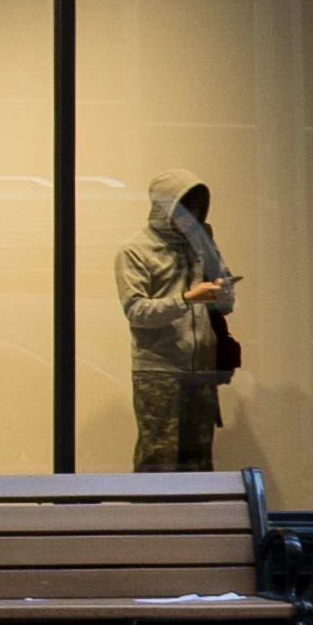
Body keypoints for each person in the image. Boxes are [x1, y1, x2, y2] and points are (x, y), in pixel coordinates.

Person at [115, 174, 234, 470]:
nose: (192, 217)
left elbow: (226, 305)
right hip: (159, 372)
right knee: (159, 459)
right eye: (185, 209)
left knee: (199, 460)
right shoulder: (135, 250)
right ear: (165, 208)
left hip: (202, 367)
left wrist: (221, 287)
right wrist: (187, 299)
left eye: (196, 209)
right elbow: (136, 310)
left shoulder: (201, 246)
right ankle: (150, 517)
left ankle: (196, 518)